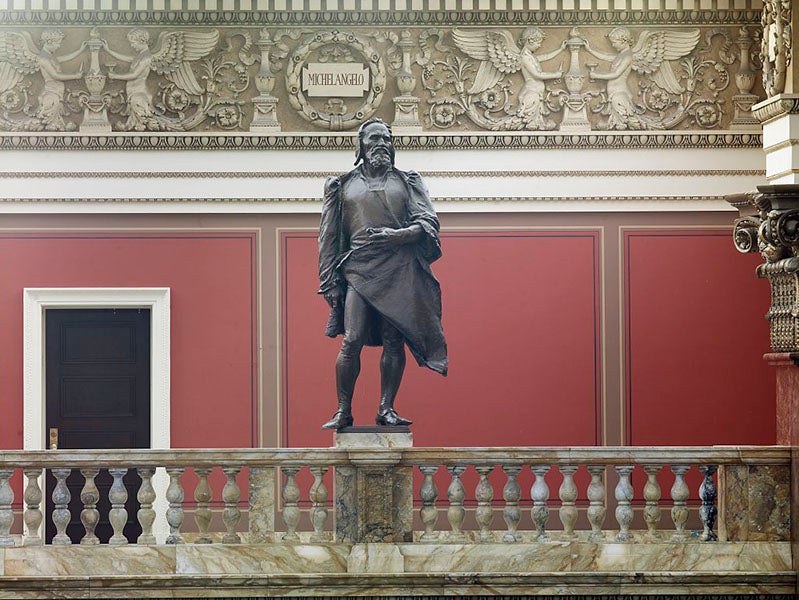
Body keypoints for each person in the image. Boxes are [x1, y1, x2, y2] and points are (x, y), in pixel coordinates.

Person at [318, 118, 448, 430]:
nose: (381, 144)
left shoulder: (408, 181)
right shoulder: (342, 185)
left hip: (399, 269)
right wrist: (328, 282)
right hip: (358, 269)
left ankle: (386, 408)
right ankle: (343, 411)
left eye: (386, 139)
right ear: (360, 146)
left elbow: (429, 222)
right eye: (374, 139)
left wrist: (397, 235)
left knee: (394, 341)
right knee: (352, 339)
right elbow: (329, 236)